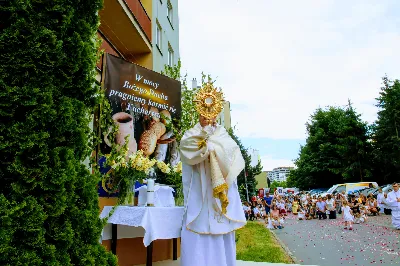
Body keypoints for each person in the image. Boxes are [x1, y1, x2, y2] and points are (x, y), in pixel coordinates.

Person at [179, 85, 246, 266]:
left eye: (212, 112)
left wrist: (213, 148)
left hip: (219, 193)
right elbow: (186, 150)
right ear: (199, 112)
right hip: (200, 195)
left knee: (221, 231)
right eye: (204, 112)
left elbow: (233, 155)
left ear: (217, 112)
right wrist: (203, 144)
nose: (208, 115)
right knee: (197, 232)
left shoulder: (222, 134)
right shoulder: (191, 133)